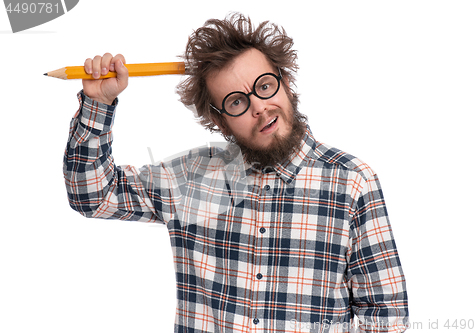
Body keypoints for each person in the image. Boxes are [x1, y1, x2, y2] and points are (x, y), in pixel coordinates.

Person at [64, 13, 409, 333]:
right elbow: (92, 195)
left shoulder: (352, 182)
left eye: (264, 86)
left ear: (285, 82)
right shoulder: (188, 177)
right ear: (220, 120)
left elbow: (385, 315)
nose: (259, 107)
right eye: (236, 102)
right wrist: (99, 103)